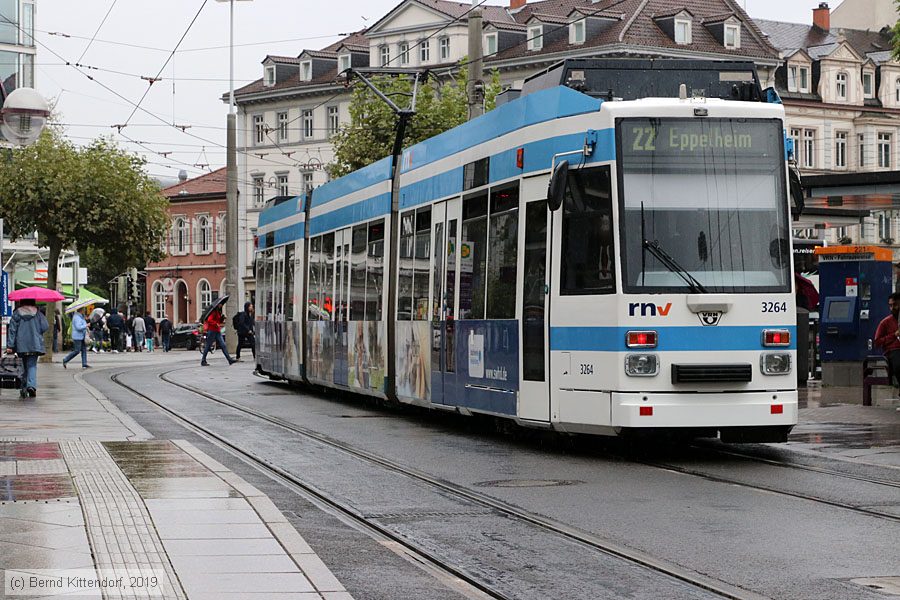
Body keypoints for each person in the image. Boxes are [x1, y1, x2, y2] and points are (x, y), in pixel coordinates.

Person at [6, 298, 49, 398]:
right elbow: (45, 326)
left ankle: (23, 387)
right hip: (34, 344)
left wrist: (10, 345)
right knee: (32, 365)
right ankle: (31, 386)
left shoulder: (17, 313)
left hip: (21, 344)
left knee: (23, 366)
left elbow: (12, 330)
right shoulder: (38, 314)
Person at [874, 292, 900, 388]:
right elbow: (877, 342)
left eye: (895, 305)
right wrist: (894, 335)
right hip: (893, 351)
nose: (892, 308)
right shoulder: (885, 322)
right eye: (890, 305)